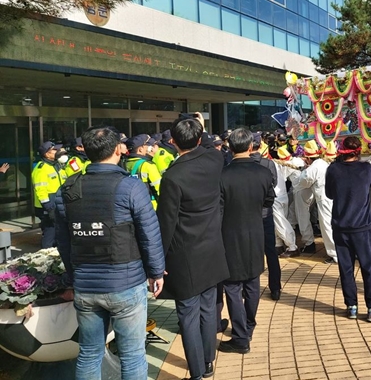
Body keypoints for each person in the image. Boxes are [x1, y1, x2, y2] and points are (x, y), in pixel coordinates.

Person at [55, 126, 165, 380]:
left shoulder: (69, 188)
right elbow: (149, 233)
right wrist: (156, 271)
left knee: (89, 353)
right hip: (126, 284)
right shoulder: (130, 187)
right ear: (118, 150)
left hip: (86, 286)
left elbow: (64, 240)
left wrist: (74, 275)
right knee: (133, 355)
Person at [156, 117, 229, 380]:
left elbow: (165, 224)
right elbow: (208, 144)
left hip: (184, 254)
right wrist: (199, 125)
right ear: (200, 139)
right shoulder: (214, 160)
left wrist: (156, 264)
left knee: (188, 314)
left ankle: (197, 371)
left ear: (172, 142)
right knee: (209, 309)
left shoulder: (173, 176)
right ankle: (208, 361)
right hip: (212, 247)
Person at [219, 128, 275, 354]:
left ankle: (241, 336)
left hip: (229, 235)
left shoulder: (222, 175)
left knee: (232, 286)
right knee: (252, 282)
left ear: (230, 148)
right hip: (255, 232)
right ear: (251, 147)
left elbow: (219, 209)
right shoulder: (263, 173)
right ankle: (248, 325)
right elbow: (268, 201)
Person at [325, 136, 371, 322]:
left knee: (346, 268)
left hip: (340, 225)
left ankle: (351, 306)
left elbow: (329, 194)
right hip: (362, 226)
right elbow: (370, 185)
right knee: (368, 267)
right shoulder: (367, 169)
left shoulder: (333, 169)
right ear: (359, 151)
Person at [250, 133, 281, 300]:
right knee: (271, 252)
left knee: (249, 251)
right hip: (265, 212)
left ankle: (248, 287)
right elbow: (274, 184)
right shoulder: (268, 164)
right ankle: (275, 288)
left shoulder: (237, 164)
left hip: (247, 215)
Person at [296, 140, 337, 262]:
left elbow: (304, 182)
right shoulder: (323, 163)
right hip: (332, 197)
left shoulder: (314, 167)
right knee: (333, 225)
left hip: (324, 199)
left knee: (327, 227)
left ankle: (335, 255)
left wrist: (304, 170)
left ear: (308, 158)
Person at [31, 141, 68, 248]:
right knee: (50, 233)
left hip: (57, 204)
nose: (58, 151)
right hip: (47, 207)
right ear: (47, 154)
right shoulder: (41, 168)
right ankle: (44, 257)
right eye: (55, 150)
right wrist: (49, 208)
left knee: (58, 233)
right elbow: (40, 190)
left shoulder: (57, 165)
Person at [271, 146, 302, 257]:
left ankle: (292, 246)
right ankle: (278, 245)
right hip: (282, 196)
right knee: (278, 222)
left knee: (280, 222)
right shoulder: (283, 164)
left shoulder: (273, 164)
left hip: (276, 197)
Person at [124, 134, 162, 210]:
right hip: (150, 208)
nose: (150, 148)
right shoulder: (148, 166)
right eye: (148, 145)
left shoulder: (124, 163)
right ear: (140, 149)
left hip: (130, 207)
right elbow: (160, 190)